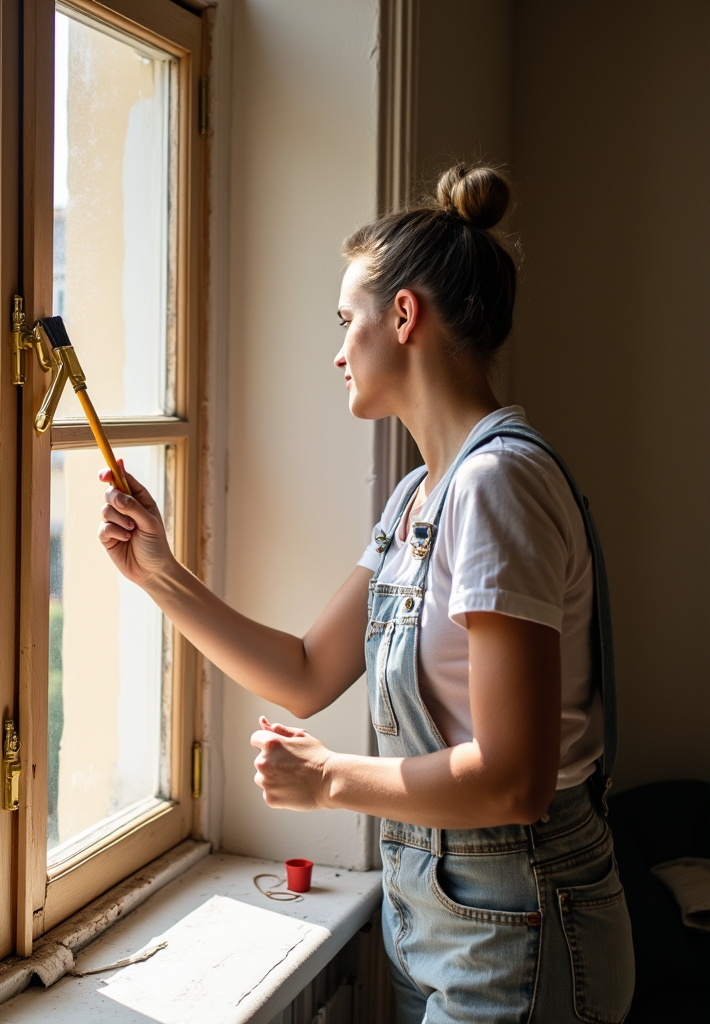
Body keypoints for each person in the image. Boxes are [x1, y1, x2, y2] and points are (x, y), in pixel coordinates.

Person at [96, 165, 635, 1023]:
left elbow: (514, 780)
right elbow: (309, 671)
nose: (338, 350)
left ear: (405, 316)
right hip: (450, 919)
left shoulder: (496, 485)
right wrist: (161, 574)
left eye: (349, 321)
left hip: (522, 924)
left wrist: (327, 780)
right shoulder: (421, 495)